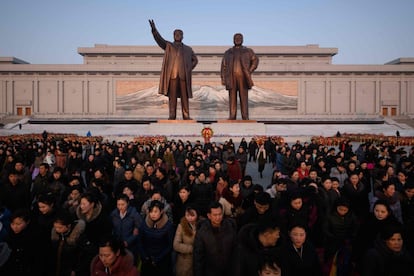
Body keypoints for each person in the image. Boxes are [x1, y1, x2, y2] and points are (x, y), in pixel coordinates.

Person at [148, 19, 198, 120]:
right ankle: (172, 115)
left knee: (185, 97)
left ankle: (186, 115)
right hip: (172, 76)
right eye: (176, 34)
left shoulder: (188, 49)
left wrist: (188, 69)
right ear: (173, 35)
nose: (178, 35)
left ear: (183, 36)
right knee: (172, 97)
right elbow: (159, 40)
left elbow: (195, 60)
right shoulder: (169, 46)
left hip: (183, 76)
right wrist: (154, 31)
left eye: (180, 34)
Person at [193, 201, 238, 276]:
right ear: (209, 215)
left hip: (228, 271)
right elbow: (198, 258)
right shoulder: (202, 232)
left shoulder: (230, 228)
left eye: (220, 214)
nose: (218, 217)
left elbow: (236, 253)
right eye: (215, 215)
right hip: (210, 272)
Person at [221, 33, 259, 120]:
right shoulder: (228, 52)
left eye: (239, 38)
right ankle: (232, 116)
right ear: (233, 39)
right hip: (231, 78)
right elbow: (223, 66)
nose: (237, 39)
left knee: (243, 97)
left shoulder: (248, 51)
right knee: (232, 97)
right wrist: (223, 78)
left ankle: (245, 116)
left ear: (242, 39)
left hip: (243, 77)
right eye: (236, 38)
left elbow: (255, 60)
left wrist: (249, 70)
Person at [138, 200, 174, 276]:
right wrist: (145, 256)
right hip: (147, 260)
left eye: (155, 211)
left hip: (162, 261)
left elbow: (170, 245)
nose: (152, 214)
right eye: (151, 211)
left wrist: (158, 258)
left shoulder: (168, 225)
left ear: (161, 211)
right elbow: (140, 241)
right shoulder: (144, 223)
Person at [173, 206, 198, 276]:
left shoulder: (201, 226)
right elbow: (176, 245)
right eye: (187, 215)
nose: (190, 217)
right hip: (184, 262)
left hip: (198, 261)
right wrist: (192, 248)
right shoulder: (181, 226)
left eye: (192, 215)